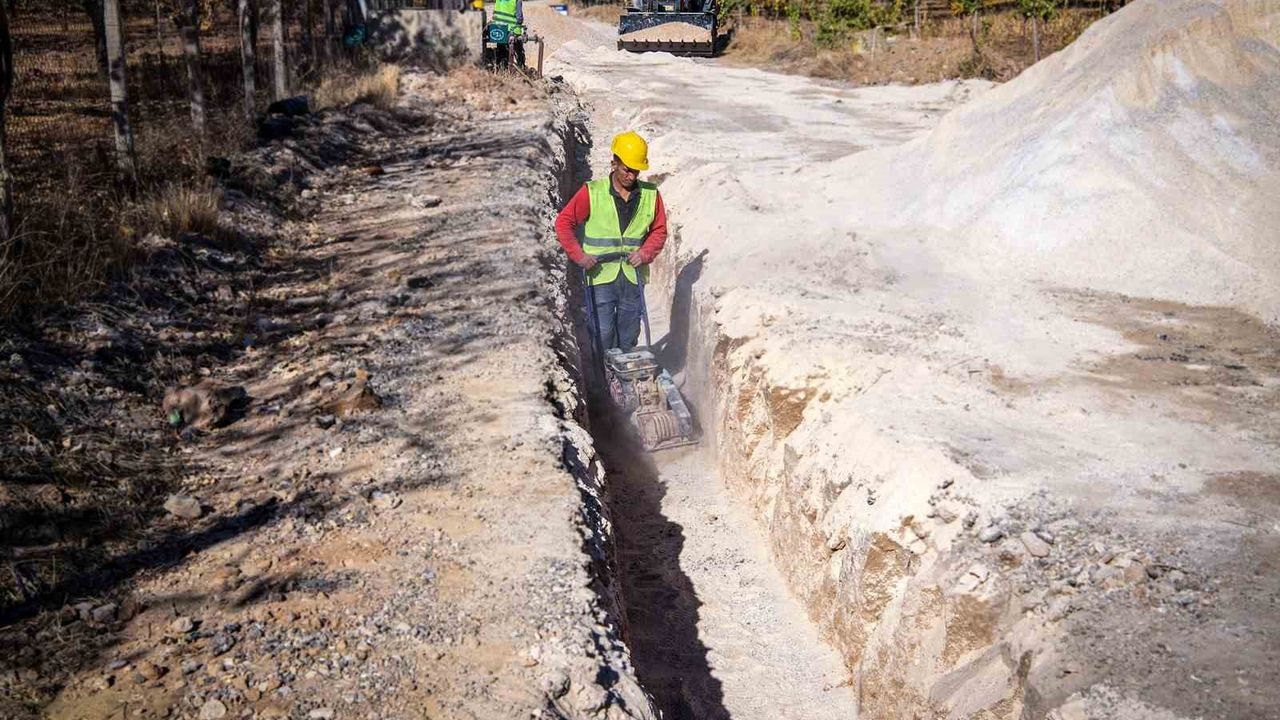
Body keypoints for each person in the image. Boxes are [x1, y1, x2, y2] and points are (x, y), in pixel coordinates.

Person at [555, 131, 669, 352]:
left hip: (632, 275)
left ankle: (626, 375)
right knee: (603, 332)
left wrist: (645, 253)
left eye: (636, 170)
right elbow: (563, 223)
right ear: (614, 163)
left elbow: (659, 230)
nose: (632, 176)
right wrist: (579, 256)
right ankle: (605, 376)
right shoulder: (593, 192)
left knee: (629, 332)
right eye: (627, 169)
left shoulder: (651, 195)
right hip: (599, 275)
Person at [492, 0, 526, 67]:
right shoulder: (516, 0)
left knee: (500, 50)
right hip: (512, 30)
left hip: (498, 29)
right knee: (519, 50)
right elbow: (519, 18)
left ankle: (500, 66)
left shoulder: (498, 0)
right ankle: (521, 66)